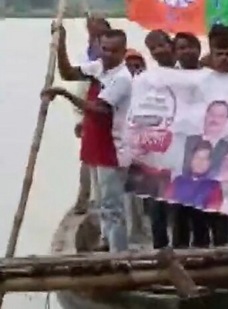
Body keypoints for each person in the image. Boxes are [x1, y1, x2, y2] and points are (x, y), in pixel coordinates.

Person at [42, 28, 133, 253]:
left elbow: (99, 109)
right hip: (94, 144)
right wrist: (60, 42)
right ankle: (105, 241)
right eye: (104, 49)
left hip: (112, 148)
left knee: (112, 207)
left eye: (114, 51)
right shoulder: (99, 68)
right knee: (101, 203)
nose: (108, 54)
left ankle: (118, 255)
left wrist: (65, 94)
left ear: (123, 52)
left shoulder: (123, 78)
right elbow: (68, 72)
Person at [72, 15, 111, 215]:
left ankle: (98, 205)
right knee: (88, 163)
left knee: (102, 170)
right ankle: (85, 200)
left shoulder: (109, 54)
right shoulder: (87, 53)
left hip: (104, 121)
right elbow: (80, 82)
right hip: (87, 116)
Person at [183, 100, 228, 176]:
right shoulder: (186, 141)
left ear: (226, 120)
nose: (215, 118)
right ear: (205, 116)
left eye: (220, 116)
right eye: (212, 114)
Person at [166, 141, 224, 211]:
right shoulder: (177, 181)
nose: (200, 161)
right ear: (191, 159)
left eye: (204, 158)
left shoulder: (215, 187)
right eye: (197, 157)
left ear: (209, 163)